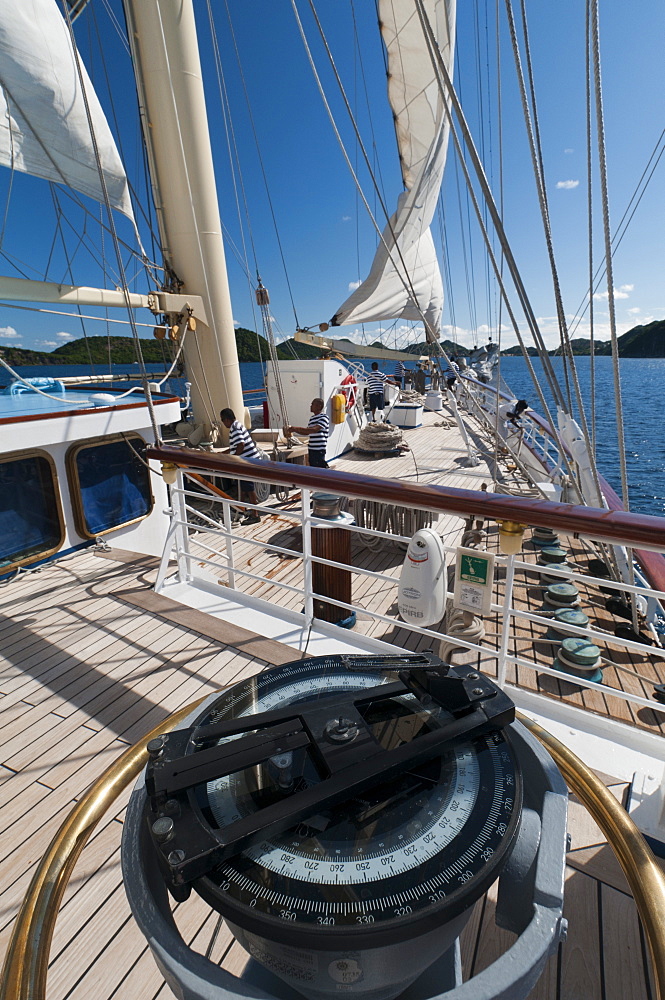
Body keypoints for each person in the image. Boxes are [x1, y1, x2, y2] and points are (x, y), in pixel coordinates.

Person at [220, 407, 263, 524]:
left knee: (249, 488)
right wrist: (223, 454)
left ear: (228, 419)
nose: (223, 423)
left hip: (248, 462)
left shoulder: (235, 428)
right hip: (249, 460)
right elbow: (235, 446)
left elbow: (240, 445)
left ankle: (255, 515)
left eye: (223, 420)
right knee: (244, 486)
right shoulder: (238, 425)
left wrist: (235, 459)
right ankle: (241, 509)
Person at [285, 398, 331, 468]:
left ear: (319, 406)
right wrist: (294, 431)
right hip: (311, 449)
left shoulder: (324, 417)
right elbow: (307, 432)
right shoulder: (312, 418)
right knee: (314, 468)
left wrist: (295, 428)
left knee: (319, 469)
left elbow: (314, 430)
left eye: (312, 404)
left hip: (319, 450)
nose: (310, 406)